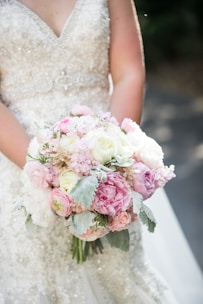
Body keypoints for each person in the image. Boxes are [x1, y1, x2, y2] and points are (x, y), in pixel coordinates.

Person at [0, 0, 202, 303]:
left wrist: (110, 167)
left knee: (117, 277)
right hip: (19, 175)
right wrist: (48, 172)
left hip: (107, 167)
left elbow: (129, 73)